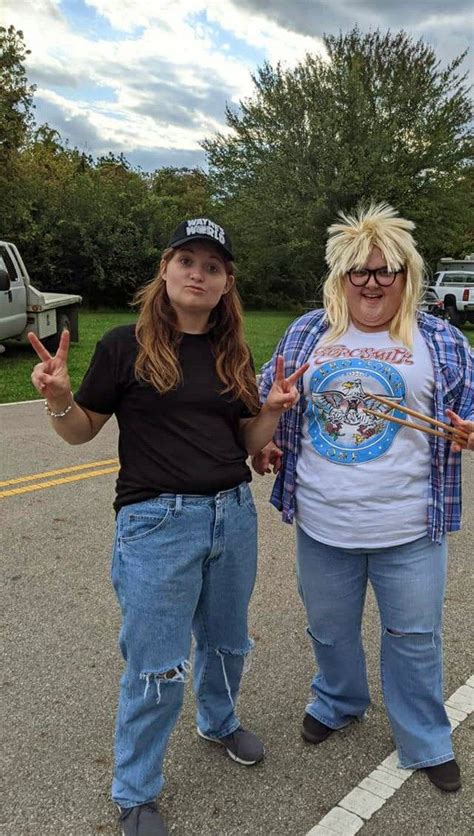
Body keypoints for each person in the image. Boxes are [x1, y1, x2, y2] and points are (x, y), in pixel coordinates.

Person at [28, 217, 307, 836]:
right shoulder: (123, 345)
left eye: (212, 267)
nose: (198, 274)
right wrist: (57, 398)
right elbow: (81, 432)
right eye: (188, 261)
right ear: (165, 268)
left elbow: (245, 440)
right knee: (155, 662)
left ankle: (218, 720)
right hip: (157, 523)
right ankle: (135, 790)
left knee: (228, 640)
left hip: (232, 515)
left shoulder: (233, 352)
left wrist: (270, 413)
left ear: (226, 282)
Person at [255, 203, 473, 793]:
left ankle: (425, 738)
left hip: (409, 527)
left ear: (408, 276)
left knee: (415, 638)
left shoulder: (442, 340)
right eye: (360, 271)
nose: (373, 282)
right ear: (340, 277)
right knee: (329, 631)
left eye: (387, 270)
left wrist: (470, 431)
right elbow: (265, 398)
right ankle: (337, 701)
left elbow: (471, 411)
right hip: (323, 524)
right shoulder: (307, 332)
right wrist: (269, 431)